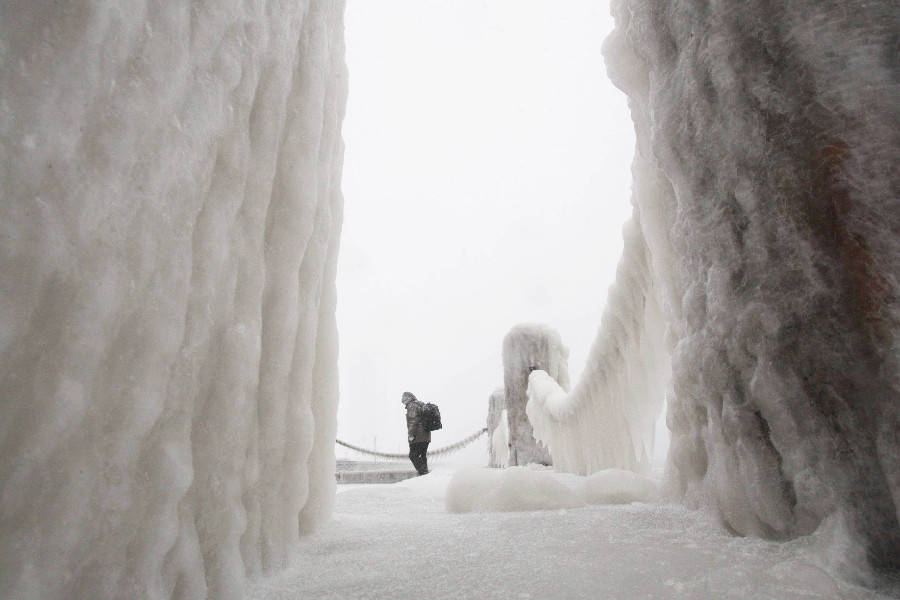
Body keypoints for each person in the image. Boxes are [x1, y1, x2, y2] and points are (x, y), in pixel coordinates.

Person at [401, 391, 430, 475]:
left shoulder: (412, 406)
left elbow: (413, 421)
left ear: (407, 398)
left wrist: (411, 435)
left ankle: (423, 473)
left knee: (413, 456)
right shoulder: (420, 404)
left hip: (418, 436)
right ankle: (425, 474)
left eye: (404, 399)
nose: (403, 402)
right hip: (426, 436)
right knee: (422, 456)